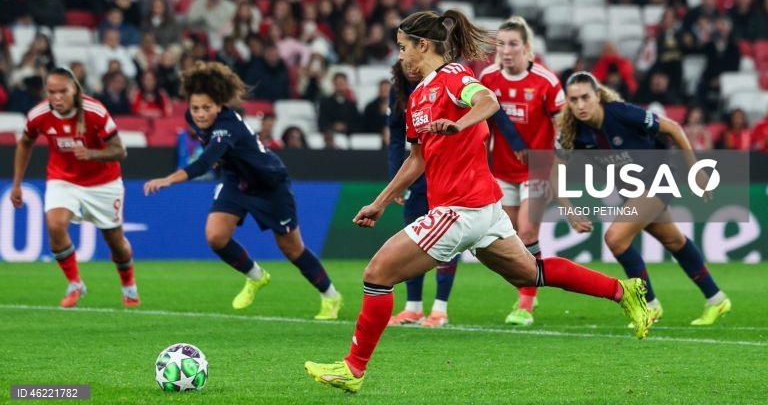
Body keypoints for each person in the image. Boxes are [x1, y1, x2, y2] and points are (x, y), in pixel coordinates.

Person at [304, 10, 650, 394]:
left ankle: (353, 368)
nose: (400, 57)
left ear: (424, 45)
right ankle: (622, 290)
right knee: (530, 273)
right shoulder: (418, 96)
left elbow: (487, 102)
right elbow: (417, 158)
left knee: (376, 275)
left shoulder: (454, 78)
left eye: (404, 48)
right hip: (484, 210)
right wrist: (381, 201)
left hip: (461, 210)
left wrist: (460, 123)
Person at [143, 61, 342, 319]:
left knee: (292, 248)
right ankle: (256, 276)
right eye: (195, 108)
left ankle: (331, 296)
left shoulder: (228, 126)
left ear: (220, 105)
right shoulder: (193, 119)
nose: (200, 114)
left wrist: (169, 179)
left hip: (270, 184)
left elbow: (204, 162)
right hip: (236, 180)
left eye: (207, 108)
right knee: (215, 236)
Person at [558, 71, 732, 328]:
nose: (580, 105)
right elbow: (554, 171)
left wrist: (696, 170)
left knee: (615, 238)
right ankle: (716, 299)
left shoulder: (622, 112)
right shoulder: (575, 132)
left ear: (598, 96)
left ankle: (649, 305)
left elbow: (673, 128)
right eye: (573, 100)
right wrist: (569, 210)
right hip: (633, 189)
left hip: (660, 177)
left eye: (585, 97)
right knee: (673, 240)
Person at [10, 68, 139, 308]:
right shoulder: (39, 114)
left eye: (62, 91)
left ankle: (128, 284)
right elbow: (25, 142)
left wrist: (91, 153)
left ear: (75, 90)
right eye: (51, 92)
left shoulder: (95, 111)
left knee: (115, 241)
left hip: (104, 182)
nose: (57, 97)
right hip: (63, 179)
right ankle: (75, 283)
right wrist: (17, 184)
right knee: (55, 225)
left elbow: (120, 151)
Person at [479, 16, 564, 326]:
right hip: (501, 170)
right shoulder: (488, 78)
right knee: (514, 238)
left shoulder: (546, 81)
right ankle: (529, 290)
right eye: (500, 44)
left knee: (528, 231)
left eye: (513, 44)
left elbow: (562, 124)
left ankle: (526, 302)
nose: (506, 50)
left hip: (537, 170)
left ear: (527, 48)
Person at [386, 60, 459, 328]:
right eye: (402, 52)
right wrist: (396, 180)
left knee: (448, 239)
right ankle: (413, 307)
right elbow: (395, 138)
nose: (407, 60)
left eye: (409, 50)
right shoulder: (398, 91)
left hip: (448, 173)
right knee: (413, 238)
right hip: (417, 174)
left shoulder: (446, 82)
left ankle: (440, 308)